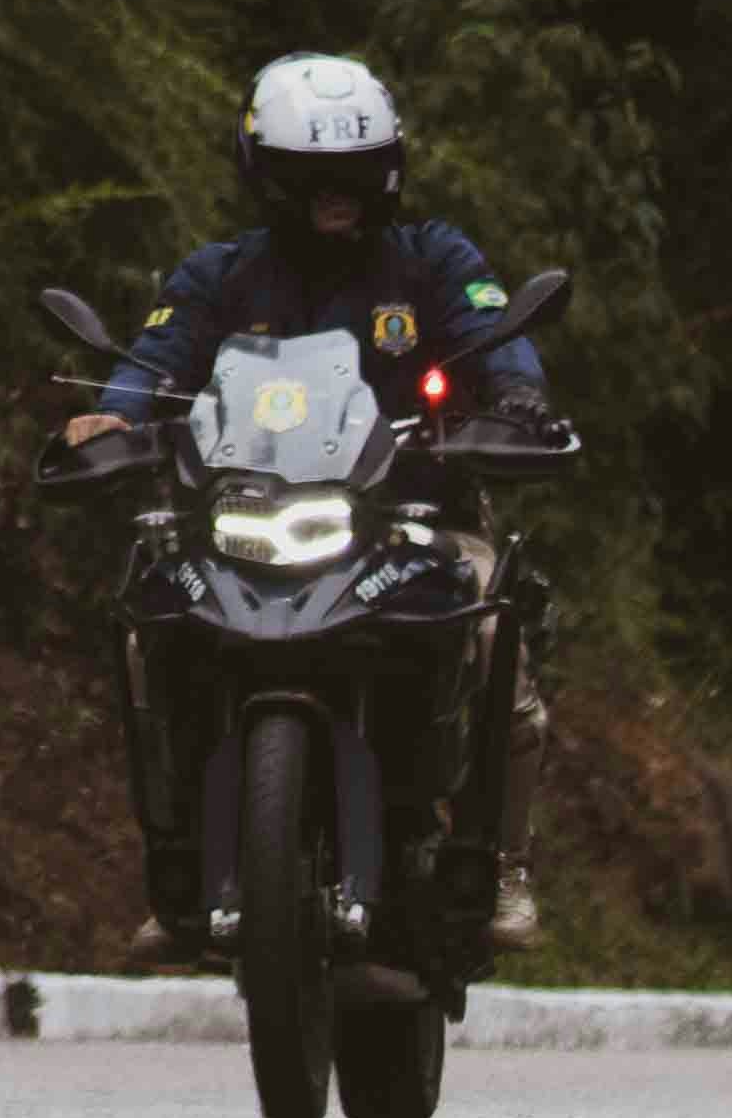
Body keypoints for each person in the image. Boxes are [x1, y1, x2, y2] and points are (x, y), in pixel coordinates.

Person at [64, 51, 566, 961]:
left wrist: (518, 395)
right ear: (267, 176)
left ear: (391, 168)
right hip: (240, 525)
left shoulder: (433, 261)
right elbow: (153, 359)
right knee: (147, 629)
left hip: (416, 524)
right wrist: (115, 415)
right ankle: (177, 856)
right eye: (311, 177)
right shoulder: (220, 277)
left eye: (357, 173)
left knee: (498, 633)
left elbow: (496, 334)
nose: (338, 195)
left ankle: (498, 863)